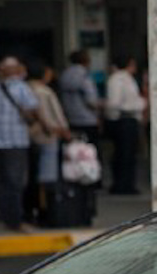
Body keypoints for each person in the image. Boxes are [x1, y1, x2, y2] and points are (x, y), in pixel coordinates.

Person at [0, 57, 40, 230]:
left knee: (4, 182)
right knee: (14, 182)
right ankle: (14, 220)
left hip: (0, 141)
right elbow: (34, 108)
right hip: (14, 142)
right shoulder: (19, 88)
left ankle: (9, 217)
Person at [25, 61, 72, 217]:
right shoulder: (44, 92)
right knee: (47, 176)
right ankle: (47, 210)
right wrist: (65, 132)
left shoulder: (24, 89)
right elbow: (54, 116)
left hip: (29, 137)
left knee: (32, 174)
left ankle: (33, 208)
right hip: (48, 136)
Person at [103, 54, 145, 194]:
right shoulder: (117, 79)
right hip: (123, 119)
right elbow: (115, 103)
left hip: (130, 118)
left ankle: (127, 184)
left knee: (129, 154)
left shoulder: (127, 78)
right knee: (123, 154)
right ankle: (121, 185)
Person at [58, 50, 100, 143]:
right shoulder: (85, 76)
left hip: (70, 118)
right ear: (86, 61)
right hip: (87, 119)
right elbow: (91, 101)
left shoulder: (64, 75)